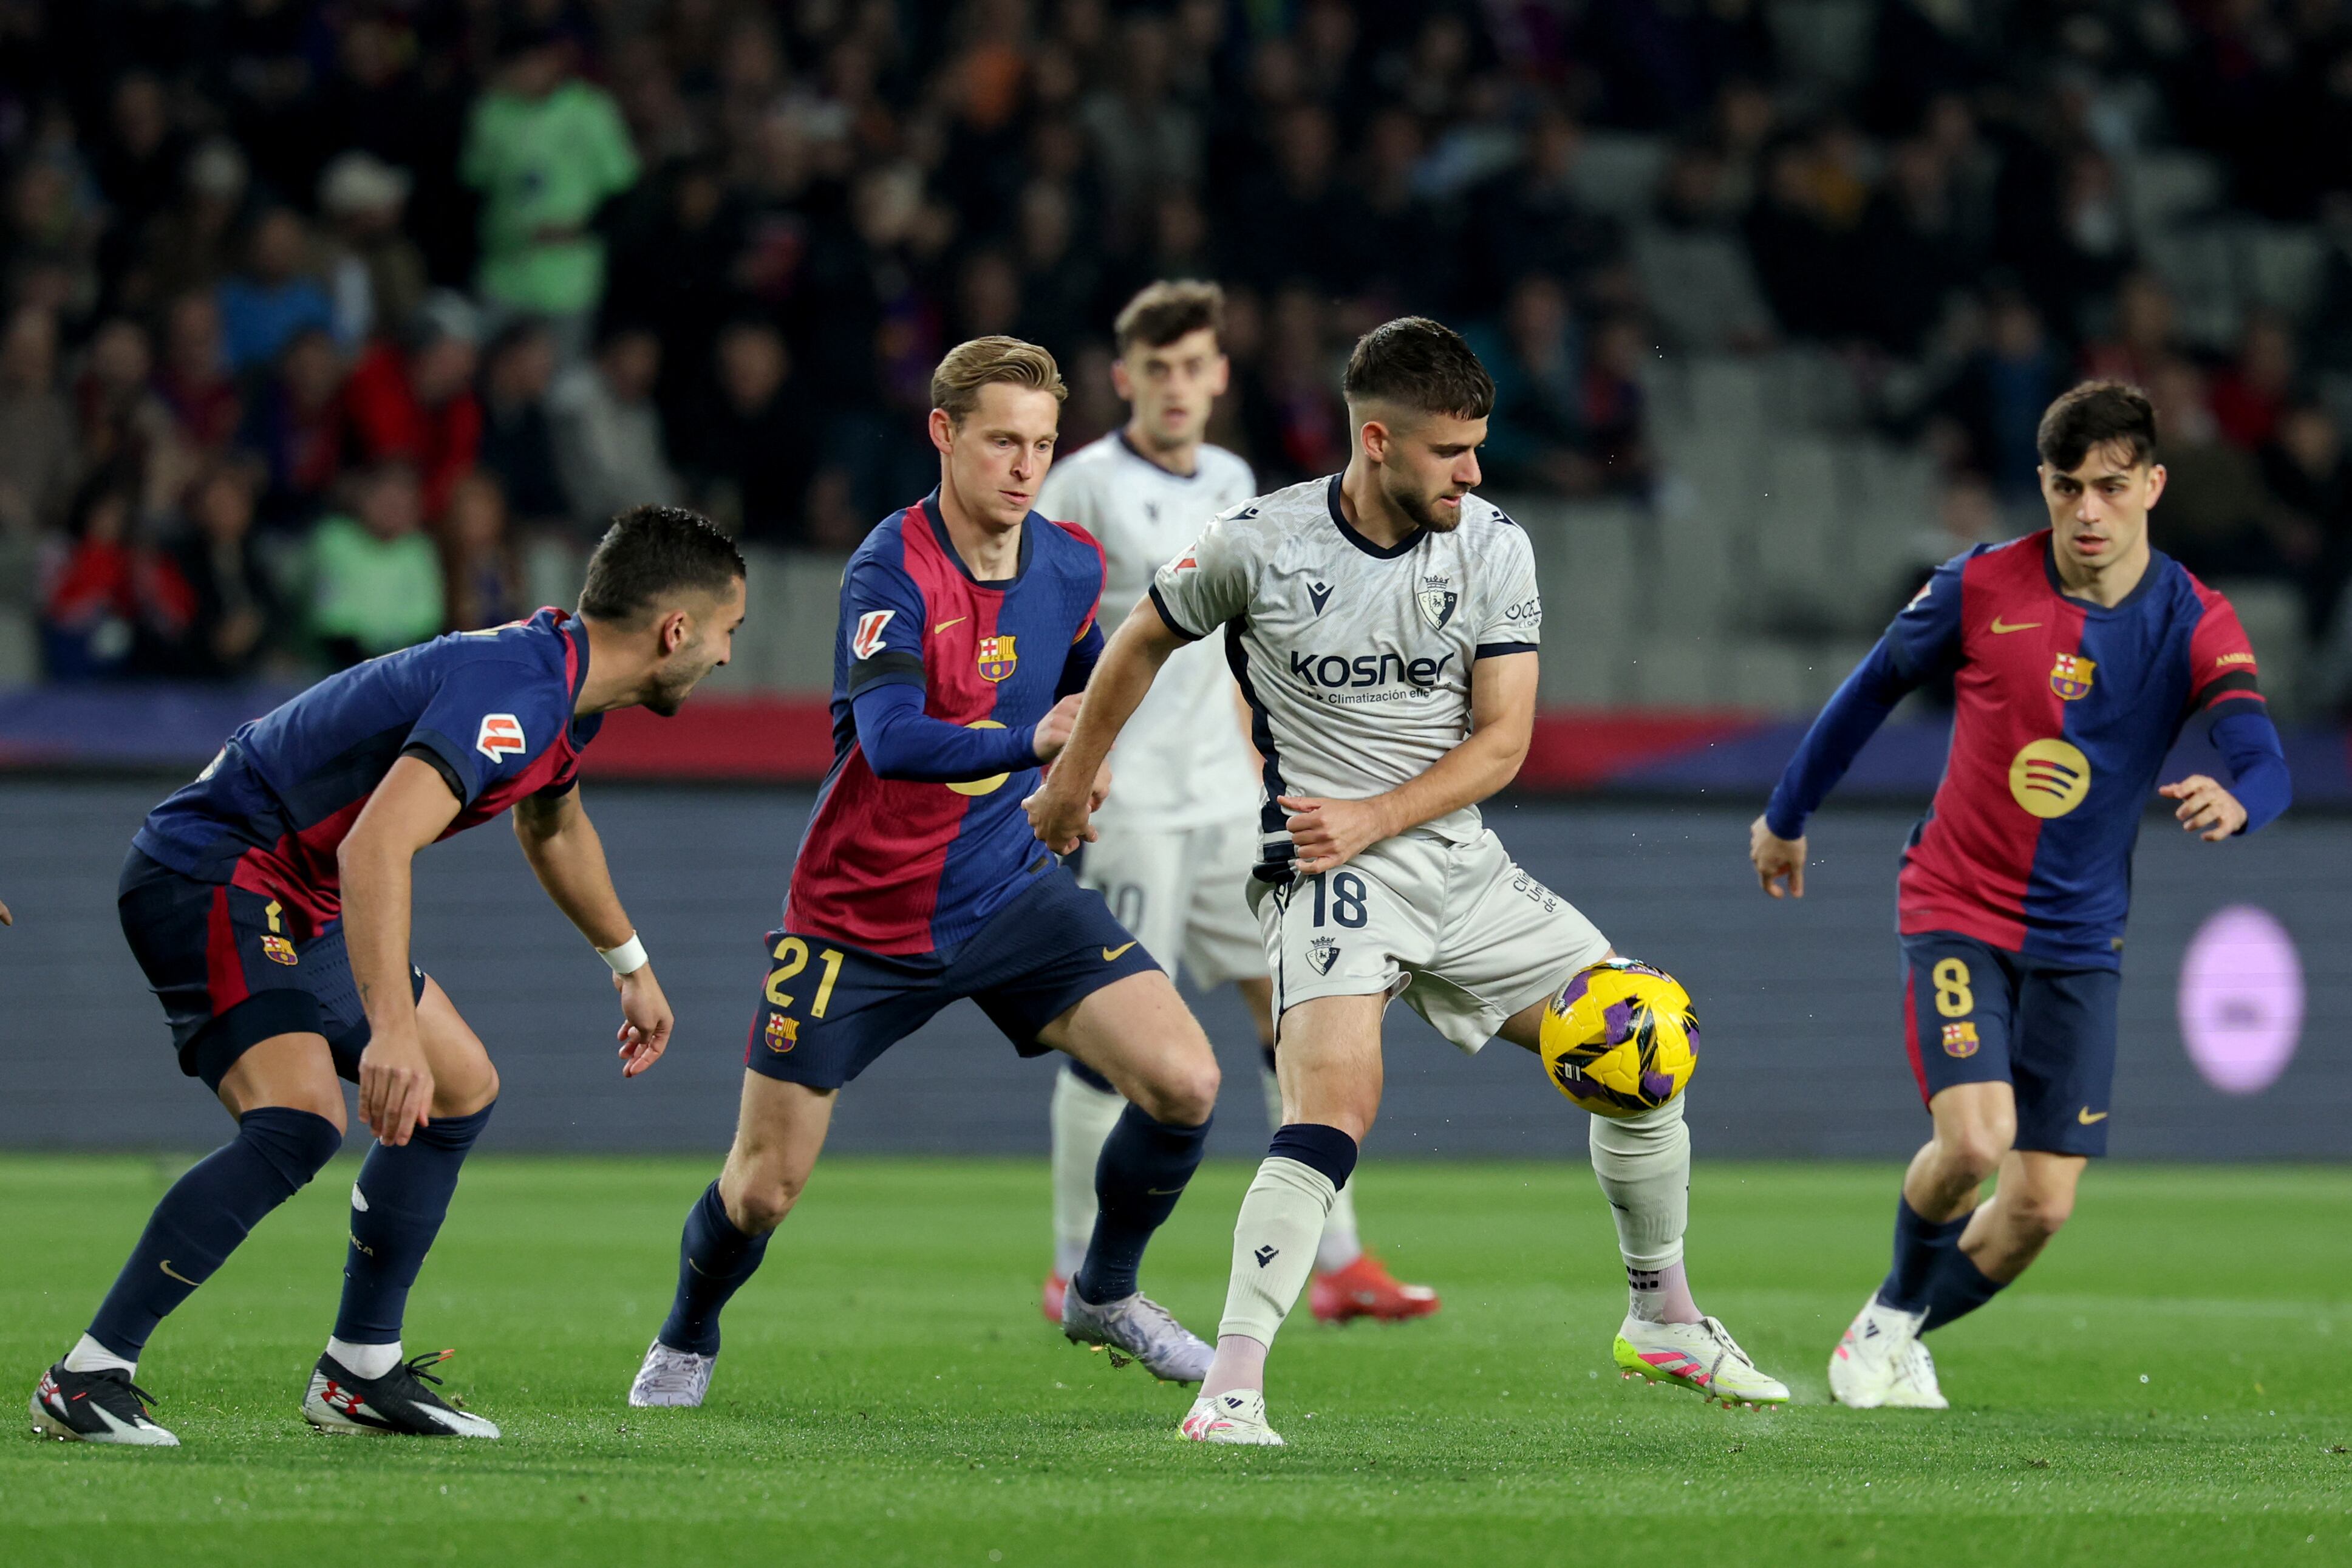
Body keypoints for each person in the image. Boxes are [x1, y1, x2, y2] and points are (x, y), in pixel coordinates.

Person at [1027, 318, 1789, 1447]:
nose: (1472, 473)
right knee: (1332, 1110)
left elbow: (1504, 739)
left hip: (1455, 861)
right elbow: (1139, 639)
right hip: (1325, 879)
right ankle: (1230, 1389)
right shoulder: (1258, 542)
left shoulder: (1492, 544)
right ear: (1376, 440)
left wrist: (1377, 813)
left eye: (1478, 449)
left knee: (1644, 1038)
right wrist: (1072, 782)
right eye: (1450, 452)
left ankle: (1661, 1315)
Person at [29, 506, 748, 1446]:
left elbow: (554, 825)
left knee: (461, 1087)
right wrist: (391, 1032)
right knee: (297, 1123)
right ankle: (87, 1376)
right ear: (676, 630)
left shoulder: (559, 684)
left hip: (296, 887)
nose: (729, 656)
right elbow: (376, 845)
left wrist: (629, 963)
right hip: (213, 868)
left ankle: (359, 1369)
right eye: (729, 630)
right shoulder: (520, 690)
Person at [628, 338, 1224, 1409]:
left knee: (1185, 1082)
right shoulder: (888, 566)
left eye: (1042, 444)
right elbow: (894, 737)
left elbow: (1094, 677)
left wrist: (1085, 764)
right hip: (859, 914)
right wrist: (1038, 748)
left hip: (1006, 888)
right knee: (763, 1188)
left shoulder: (1072, 563)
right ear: (943, 434)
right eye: (1002, 440)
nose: (1024, 466)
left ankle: (1103, 1292)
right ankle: (684, 1333)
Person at [1749, 381, 2292, 1410]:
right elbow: (1870, 688)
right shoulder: (1979, 585)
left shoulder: (2191, 618)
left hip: (2082, 937)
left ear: (2153, 486)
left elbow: (2262, 757)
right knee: (1975, 1143)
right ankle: (1889, 1326)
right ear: (2041, 485)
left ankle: (1891, 1321)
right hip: (1956, 901)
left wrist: (2241, 799)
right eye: (2065, 487)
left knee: (2039, 1204)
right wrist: (1785, 814)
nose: (2087, 511)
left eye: (2111, 488)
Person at [1032, 280, 1437, 1328]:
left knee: (1298, 1004)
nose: (1176, 386)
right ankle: (1072, 1258)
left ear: (1220, 375)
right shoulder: (1078, 487)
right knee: (1107, 1031)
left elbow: (1233, 637)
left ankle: (1338, 1259)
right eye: (1155, 370)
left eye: (1193, 366)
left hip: (1226, 799)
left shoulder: (1230, 476)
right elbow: (1039, 623)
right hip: (1129, 807)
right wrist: (1064, 758)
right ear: (1124, 380)